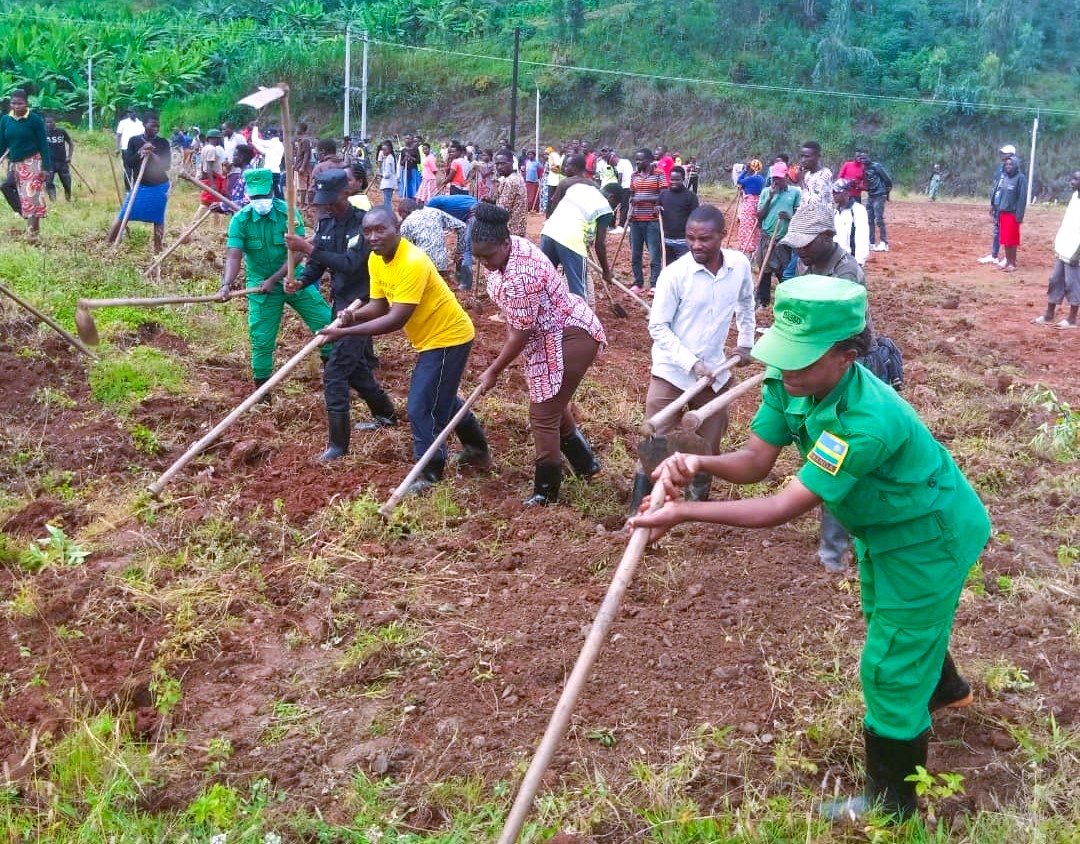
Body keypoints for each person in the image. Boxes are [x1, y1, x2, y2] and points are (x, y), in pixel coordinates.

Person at [630, 275, 990, 823]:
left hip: (928, 537)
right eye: (784, 355)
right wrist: (699, 462)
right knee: (894, 622)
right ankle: (945, 689)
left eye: (801, 359)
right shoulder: (787, 380)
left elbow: (780, 506)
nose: (786, 368)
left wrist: (683, 512)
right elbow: (755, 462)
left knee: (889, 666)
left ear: (846, 355)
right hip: (884, 529)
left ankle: (891, 808)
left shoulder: (866, 422)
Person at [322, 208, 491, 494]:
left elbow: (395, 319)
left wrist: (344, 333)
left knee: (420, 406)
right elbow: (379, 305)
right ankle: (476, 448)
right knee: (443, 397)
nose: (373, 237)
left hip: (450, 336)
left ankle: (430, 472)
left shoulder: (412, 261)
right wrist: (353, 315)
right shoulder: (377, 260)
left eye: (380, 230)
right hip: (429, 337)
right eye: (367, 231)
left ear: (397, 228)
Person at [471, 203, 607, 504]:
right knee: (553, 404)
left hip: (569, 335)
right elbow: (517, 324)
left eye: (488, 255)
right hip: (544, 337)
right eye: (477, 256)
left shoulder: (522, 276)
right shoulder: (509, 249)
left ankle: (546, 493)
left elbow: (521, 332)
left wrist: (494, 370)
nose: (484, 262)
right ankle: (588, 466)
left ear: (506, 243)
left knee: (543, 413)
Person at [629, 204, 755, 510]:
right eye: (691, 238)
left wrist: (746, 344)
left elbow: (747, 304)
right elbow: (657, 326)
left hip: (715, 370)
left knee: (709, 443)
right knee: (654, 439)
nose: (697, 245)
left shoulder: (739, 266)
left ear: (722, 236)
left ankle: (695, 508)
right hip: (672, 370)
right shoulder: (675, 275)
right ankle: (638, 509)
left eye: (705, 239)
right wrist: (691, 363)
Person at [283, 169, 397, 459]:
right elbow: (319, 263)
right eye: (323, 203)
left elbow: (349, 264)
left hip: (364, 306)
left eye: (331, 201)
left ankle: (338, 446)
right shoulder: (325, 223)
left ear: (345, 194)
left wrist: (306, 247)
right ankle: (385, 414)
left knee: (335, 371)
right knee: (355, 367)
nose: (328, 207)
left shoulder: (364, 225)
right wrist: (300, 281)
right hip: (340, 303)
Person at [217, 168, 332, 395]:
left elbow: (298, 252)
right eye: (256, 197)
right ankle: (262, 394)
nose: (260, 201)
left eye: (264, 195)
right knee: (261, 339)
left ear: (272, 190)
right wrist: (226, 285)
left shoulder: (288, 214)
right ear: (249, 195)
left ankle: (334, 378)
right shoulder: (241, 220)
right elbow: (234, 255)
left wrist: (275, 278)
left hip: (293, 278)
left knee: (326, 323)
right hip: (261, 286)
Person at [538, 153, 616, 300]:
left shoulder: (576, 188)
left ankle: (540, 316)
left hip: (548, 232)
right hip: (571, 240)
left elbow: (556, 211)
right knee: (578, 292)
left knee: (543, 281)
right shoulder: (605, 207)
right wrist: (606, 271)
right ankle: (580, 321)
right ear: (612, 198)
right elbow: (600, 245)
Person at [107, 112, 171, 253]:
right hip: (139, 186)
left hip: (159, 187)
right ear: (144, 125)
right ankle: (107, 245)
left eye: (158, 126)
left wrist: (152, 154)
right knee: (123, 215)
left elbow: (166, 166)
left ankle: (157, 251)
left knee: (158, 219)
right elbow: (129, 163)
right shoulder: (134, 141)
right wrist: (141, 151)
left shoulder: (163, 143)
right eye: (152, 125)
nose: (156, 128)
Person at [1033, 169, 1080, 329]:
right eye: (1072, 179)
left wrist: (1077, 254)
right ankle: (1049, 315)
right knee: (1055, 280)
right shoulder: (1075, 196)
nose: (1072, 182)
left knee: (1072, 284)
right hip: (1063, 248)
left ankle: (1072, 319)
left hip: (1075, 253)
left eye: (1075, 180)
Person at [754, 161, 801, 308]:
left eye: (779, 178)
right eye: (774, 178)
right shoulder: (766, 192)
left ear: (786, 176)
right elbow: (759, 216)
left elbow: (798, 215)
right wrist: (770, 198)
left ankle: (788, 301)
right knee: (764, 270)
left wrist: (788, 217)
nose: (776, 181)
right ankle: (764, 302)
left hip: (784, 240)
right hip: (767, 237)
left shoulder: (794, 193)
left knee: (783, 271)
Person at [398, 197, 467, 278]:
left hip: (421, 266)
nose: (402, 218)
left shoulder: (406, 224)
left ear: (405, 211)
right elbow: (462, 226)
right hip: (441, 265)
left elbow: (407, 250)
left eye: (401, 215)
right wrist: (459, 252)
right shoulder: (435, 211)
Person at [628, 148, 666, 295]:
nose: (637, 162)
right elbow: (632, 195)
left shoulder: (659, 174)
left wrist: (643, 199)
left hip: (653, 220)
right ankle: (638, 283)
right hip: (636, 219)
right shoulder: (634, 175)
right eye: (636, 159)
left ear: (650, 160)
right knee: (635, 254)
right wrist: (630, 210)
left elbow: (663, 195)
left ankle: (655, 283)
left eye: (640, 160)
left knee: (654, 253)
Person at [979, 144, 1018, 266]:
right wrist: (993, 203)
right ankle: (994, 255)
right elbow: (997, 186)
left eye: (1005, 153)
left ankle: (1009, 258)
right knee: (997, 229)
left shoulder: (1014, 171)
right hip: (997, 203)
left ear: (1011, 155)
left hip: (1007, 206)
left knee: (1007, 231)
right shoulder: (1001, 168)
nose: (1002, 155)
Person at [991, 156, 1027, 272]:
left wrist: (1019, 216)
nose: (1008, 166)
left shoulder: (1020, 178)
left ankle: (1012, 263)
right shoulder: (1005, 177)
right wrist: (996, 210)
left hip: (1013, 214)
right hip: (1003, 213)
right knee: (1005, 239)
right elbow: (1000, 195)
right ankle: (1007, 260)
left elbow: (1022, 198)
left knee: (1012, 240)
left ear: (1016, 165)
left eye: (1011, 164)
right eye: (1006, 164)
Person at [658, 165, 700, 262]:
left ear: (683, 179)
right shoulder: (663, 195)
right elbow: (657, 211)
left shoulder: (691, 196)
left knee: (683, 270)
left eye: (677, 180)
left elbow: (695, 218)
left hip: (683, 242)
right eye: (672, 179)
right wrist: (656, 209)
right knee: (668, 269)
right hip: (666, 241)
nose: (674, 182)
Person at [858, 150, 893, 252]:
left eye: (865, 158)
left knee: (879, 219)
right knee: (869, 220)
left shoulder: (876, 166)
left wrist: (886, 192)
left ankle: (884, 243)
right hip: (871, 195)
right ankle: (871, 243)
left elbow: (887, 179)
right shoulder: (864, 169)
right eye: (861, 158)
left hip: (879, 194)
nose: (863, 160)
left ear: (869, 157)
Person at [832, 178, 870, 267]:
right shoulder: (835, 212)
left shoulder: (858, 210)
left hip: (851, 259)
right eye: (833, 192)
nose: (834, 195)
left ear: (847, 193)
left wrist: (859, 261)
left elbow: (862, 237)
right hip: (836, 259)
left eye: (838, 192)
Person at [490, 148, 528, 238]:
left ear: (511, 162)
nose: (499, 167)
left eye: (503, 164)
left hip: (509, 231)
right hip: (518, 228)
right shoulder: (516, 177)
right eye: (497, 164)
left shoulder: (510, 181)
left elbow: (501, 211)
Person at [736, 159, 766, 255]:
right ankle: (755, 247)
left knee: (746, 226)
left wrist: (745, 170)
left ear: (751, 169)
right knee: (755, 226)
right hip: (758, 204)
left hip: (749, 205)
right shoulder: (761, 179)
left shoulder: (750, 179)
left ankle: (746, 247)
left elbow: (739, 180)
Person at [43, 116, 73, 203]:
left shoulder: (62, 132)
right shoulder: (44, 133)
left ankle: (68, 199)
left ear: (55, 122)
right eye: (47, 122)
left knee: (67, 183)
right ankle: (53, 201)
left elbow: (71, 143)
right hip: (49, 163)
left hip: (62, 162)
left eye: (50, 122)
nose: (48, 124)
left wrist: (69, 157)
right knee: (48, 182)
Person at [250, 126, 285, 198]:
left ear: (270, 135)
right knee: (278, 192)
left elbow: (255, 139)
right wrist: (253, 144)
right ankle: (282, 207)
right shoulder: (278, 145)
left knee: (266, 192)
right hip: (276, 172)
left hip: (268, 172)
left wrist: (255, 127)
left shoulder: (272, 143)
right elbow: (264, 151)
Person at [198, 129, 227, 213]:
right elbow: (209, 166)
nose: (220, 140)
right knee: (206, 203)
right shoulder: (212, 149)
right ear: (213, 138)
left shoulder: (205, 148)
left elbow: (203, 164)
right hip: (213, 178)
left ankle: (215, 224)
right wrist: (212, 183)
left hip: (210, 177)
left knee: (215, 202)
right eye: (218, 138)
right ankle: (195, 221)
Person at [115, 107, 145, 187]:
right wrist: (117, 148)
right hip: (126, 149)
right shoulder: (123, 123)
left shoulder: (140, 124)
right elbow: (118, 135)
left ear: (135, 112)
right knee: (128, 169)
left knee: (137, 169)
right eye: (128, 112)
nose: (129, 114)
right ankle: (128, 189)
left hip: (138, 150)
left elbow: (143, 137)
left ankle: (136, 187)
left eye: (131, 112)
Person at [798, 141, 833, 208]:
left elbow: (815, 204)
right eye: (802, 156)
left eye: (807, 157)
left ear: (818, 156)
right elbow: (804, 203)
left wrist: (802, 182)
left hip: (820, 217)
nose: (803, 160)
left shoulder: (824, 174)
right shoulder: (807, 175)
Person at [294, 122, 314, 209]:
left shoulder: (305, 140)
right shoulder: (301, 140)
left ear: (300, 129)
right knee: (303, 185)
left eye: (297, 128)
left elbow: (306, 154)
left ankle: (303, 204)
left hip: (303, 167)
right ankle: (304, 203)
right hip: (300, 165)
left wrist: (302, 167)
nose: (295, 130)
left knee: (303, 186)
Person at [378, 139, 398, 213]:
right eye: (382, 150)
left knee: (387, 202)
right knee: (387, 201)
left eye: (385, 150)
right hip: (389, 183)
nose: (383, 151)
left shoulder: (389, 158)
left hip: (388, 184)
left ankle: (388, 215)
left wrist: (380, 174)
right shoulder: (390, 157)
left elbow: (387, 174)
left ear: (389, 149)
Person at [545, 143, 564, 214]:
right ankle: (548, 216)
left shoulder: (562, 156)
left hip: (558, 180)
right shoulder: (553, 155)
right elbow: (552, 168)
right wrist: (560, 169)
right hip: (553, 181)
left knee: (556, 199)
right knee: (551, 199)